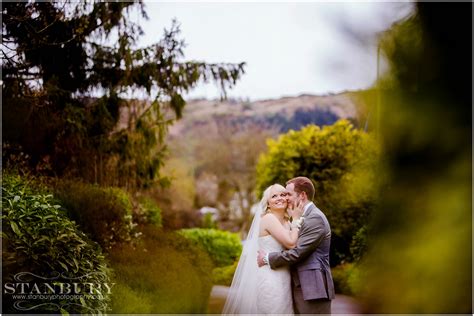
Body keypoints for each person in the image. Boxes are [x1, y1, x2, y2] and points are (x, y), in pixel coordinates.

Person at [257, 176, 335, 314]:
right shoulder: (295, 218)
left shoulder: (314, 218)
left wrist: (267, 258)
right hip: (289, 283)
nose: (285, 198)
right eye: (277, 195)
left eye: (288, 194)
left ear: (302, 195)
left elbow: (297, 251)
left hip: (313, 287)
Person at [223, 183, 304, 314]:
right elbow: (291, 243)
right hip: (270, 278)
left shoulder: (286, 222)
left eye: (283, 194)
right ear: (268, 203)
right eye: (274, 196)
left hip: (284, 278)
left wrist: (292, 220)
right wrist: (296, 218)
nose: (279, 198)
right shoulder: (268, 219)